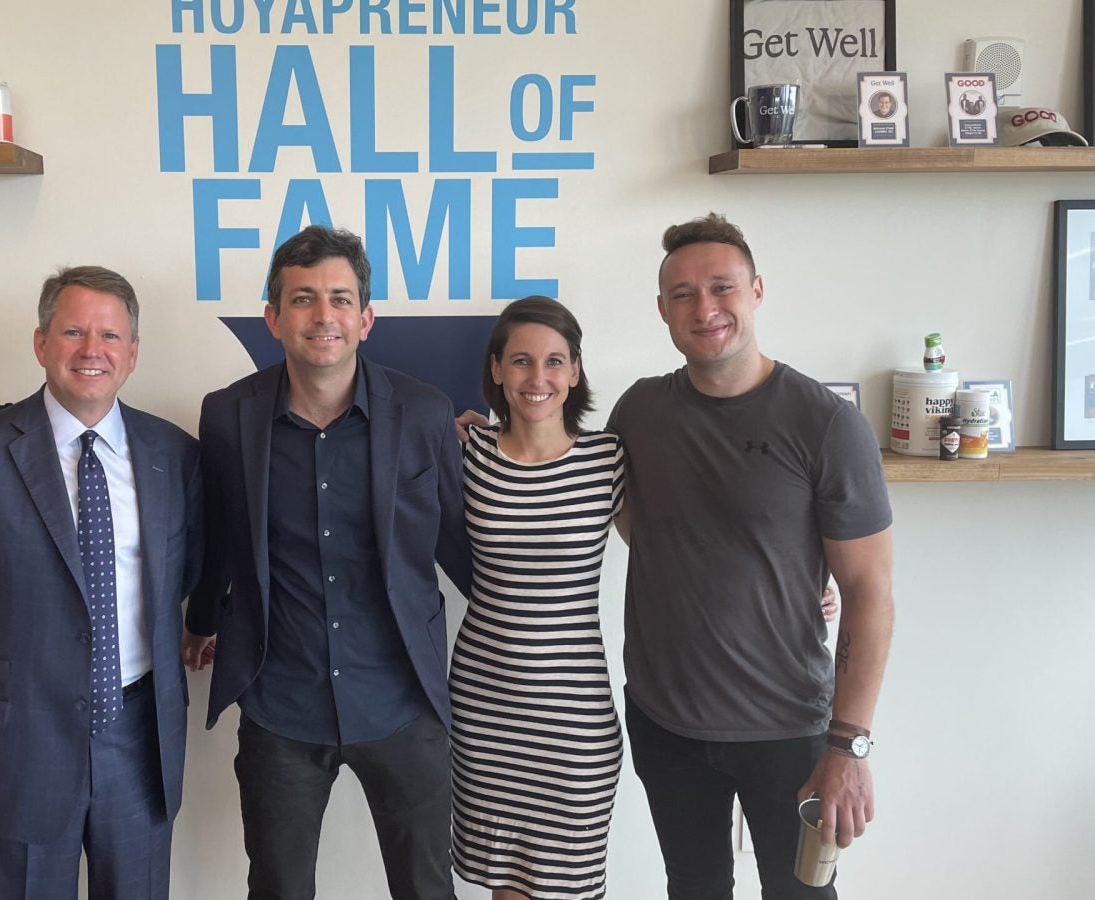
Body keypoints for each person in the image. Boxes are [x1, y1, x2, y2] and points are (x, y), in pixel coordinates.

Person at [0, 266, 204, 900]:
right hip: (18, 739)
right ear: (40, 344)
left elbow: (184, 575)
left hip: (138, 740)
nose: (92, 351)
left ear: (133, 354)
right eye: (73, 332)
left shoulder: (174, 455)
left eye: (110, 336)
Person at [181, 225, 472, 900]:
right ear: (273, 318)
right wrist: (200, 619)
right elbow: (221, 531)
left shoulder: (424, 414)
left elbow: (462, 542)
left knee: (428, 889)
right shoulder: (228, 415)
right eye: (303, 299)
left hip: (402, 700)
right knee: (279, 889)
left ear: (365, 319)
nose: (323, 316)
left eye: (340, 299)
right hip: (282, 704)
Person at [609, 213, 895, 899]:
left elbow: (869, 592)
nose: (704, 308)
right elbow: (629, 520)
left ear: (756, 291)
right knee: (694, 889)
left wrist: (847, 747)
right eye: (682, 294)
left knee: (801, 892)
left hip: (790, 732)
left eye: (722, 287)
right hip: (663, 721)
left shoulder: (824, 423)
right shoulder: (640, 412)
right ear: (661, 310)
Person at [449, 296, 626, 900]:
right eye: (521, 361)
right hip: (486, 713)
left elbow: (677, 557)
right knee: (507, 890)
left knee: (571, 888)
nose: (538, 378)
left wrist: (799, 590)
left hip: (575, 723)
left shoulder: (608, 460)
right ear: (496, 369)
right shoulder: (465, 453)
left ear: (575, 371)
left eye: (555, 361)